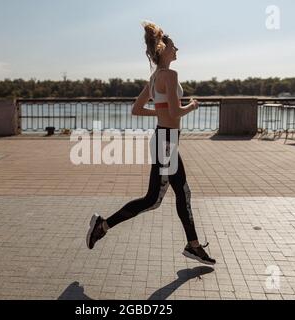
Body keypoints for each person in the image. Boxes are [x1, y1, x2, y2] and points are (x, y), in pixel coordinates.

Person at [86, 21, 216, 265]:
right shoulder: (169, 74)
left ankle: (193, 245)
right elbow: (176, 113)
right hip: (166, 141)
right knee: (160, 198)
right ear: (163, 48)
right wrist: (193, 105)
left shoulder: (155, 77)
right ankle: (103, 225)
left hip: (163, 139)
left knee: (165, 197)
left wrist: (160, 112)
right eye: (174, 46)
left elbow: (136, 109)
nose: (177, 49)